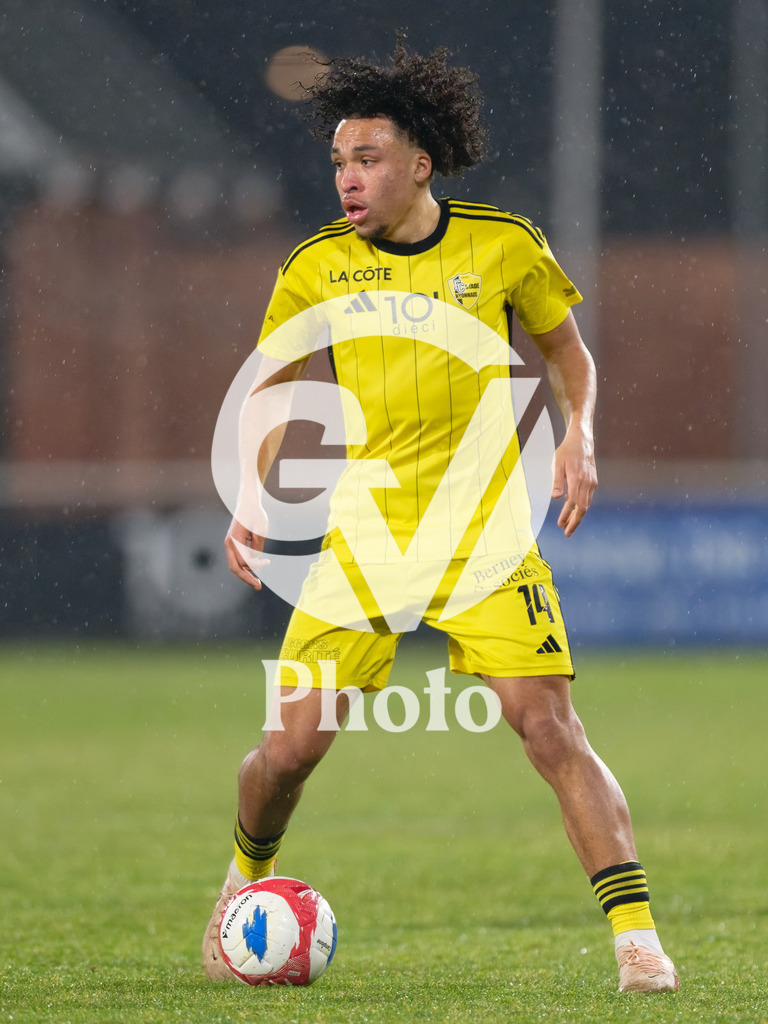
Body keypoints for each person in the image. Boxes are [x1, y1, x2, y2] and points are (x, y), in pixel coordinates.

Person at [202, 42, 679, 993]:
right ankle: (243, 878)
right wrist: (255, 498)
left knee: (548, 730)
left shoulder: (502, 244)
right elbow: (273, 392)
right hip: (365, 538)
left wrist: (580, 433)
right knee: (290, 751)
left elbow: (568, 355)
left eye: (368, 158)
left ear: (419, 164)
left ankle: (637, 942)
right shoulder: (316, 268)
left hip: (485, 536)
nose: (349, 178)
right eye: (339, 161)